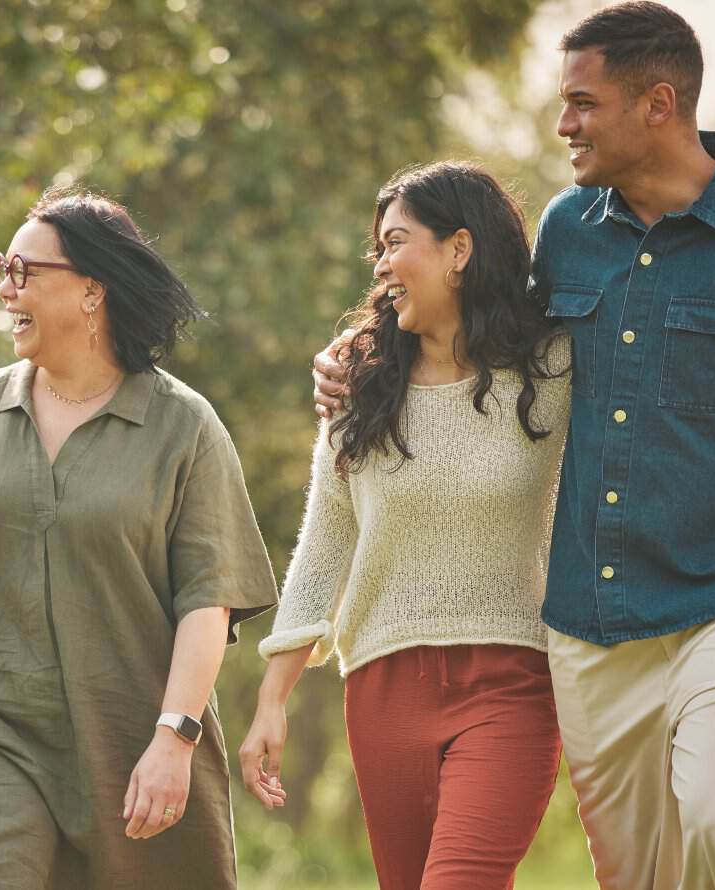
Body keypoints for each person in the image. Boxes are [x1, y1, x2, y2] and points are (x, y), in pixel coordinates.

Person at [313, 3, 715, 887]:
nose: (563, 125)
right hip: (592, 621)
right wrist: (359, 354)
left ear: (658, 103)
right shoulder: (568, 231)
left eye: (582, 104)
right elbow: (489, 342)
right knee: (633, 873)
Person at [0, 189, 278, 888]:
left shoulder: (183, 427)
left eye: (24, 272)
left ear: (92, 290)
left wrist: (174, 738)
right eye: (4, 268)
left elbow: (207, 603)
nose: (6, 289)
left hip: (132, 737)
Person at [242, 162, 570, 888]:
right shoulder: (362, 388)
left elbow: (649, 416)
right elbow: (323, 546)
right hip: (385, 689)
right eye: (377, 249)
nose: (381, 265)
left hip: (511, 681)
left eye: (396, 242)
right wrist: (273, 699)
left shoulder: (553, 370)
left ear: (460, 249)